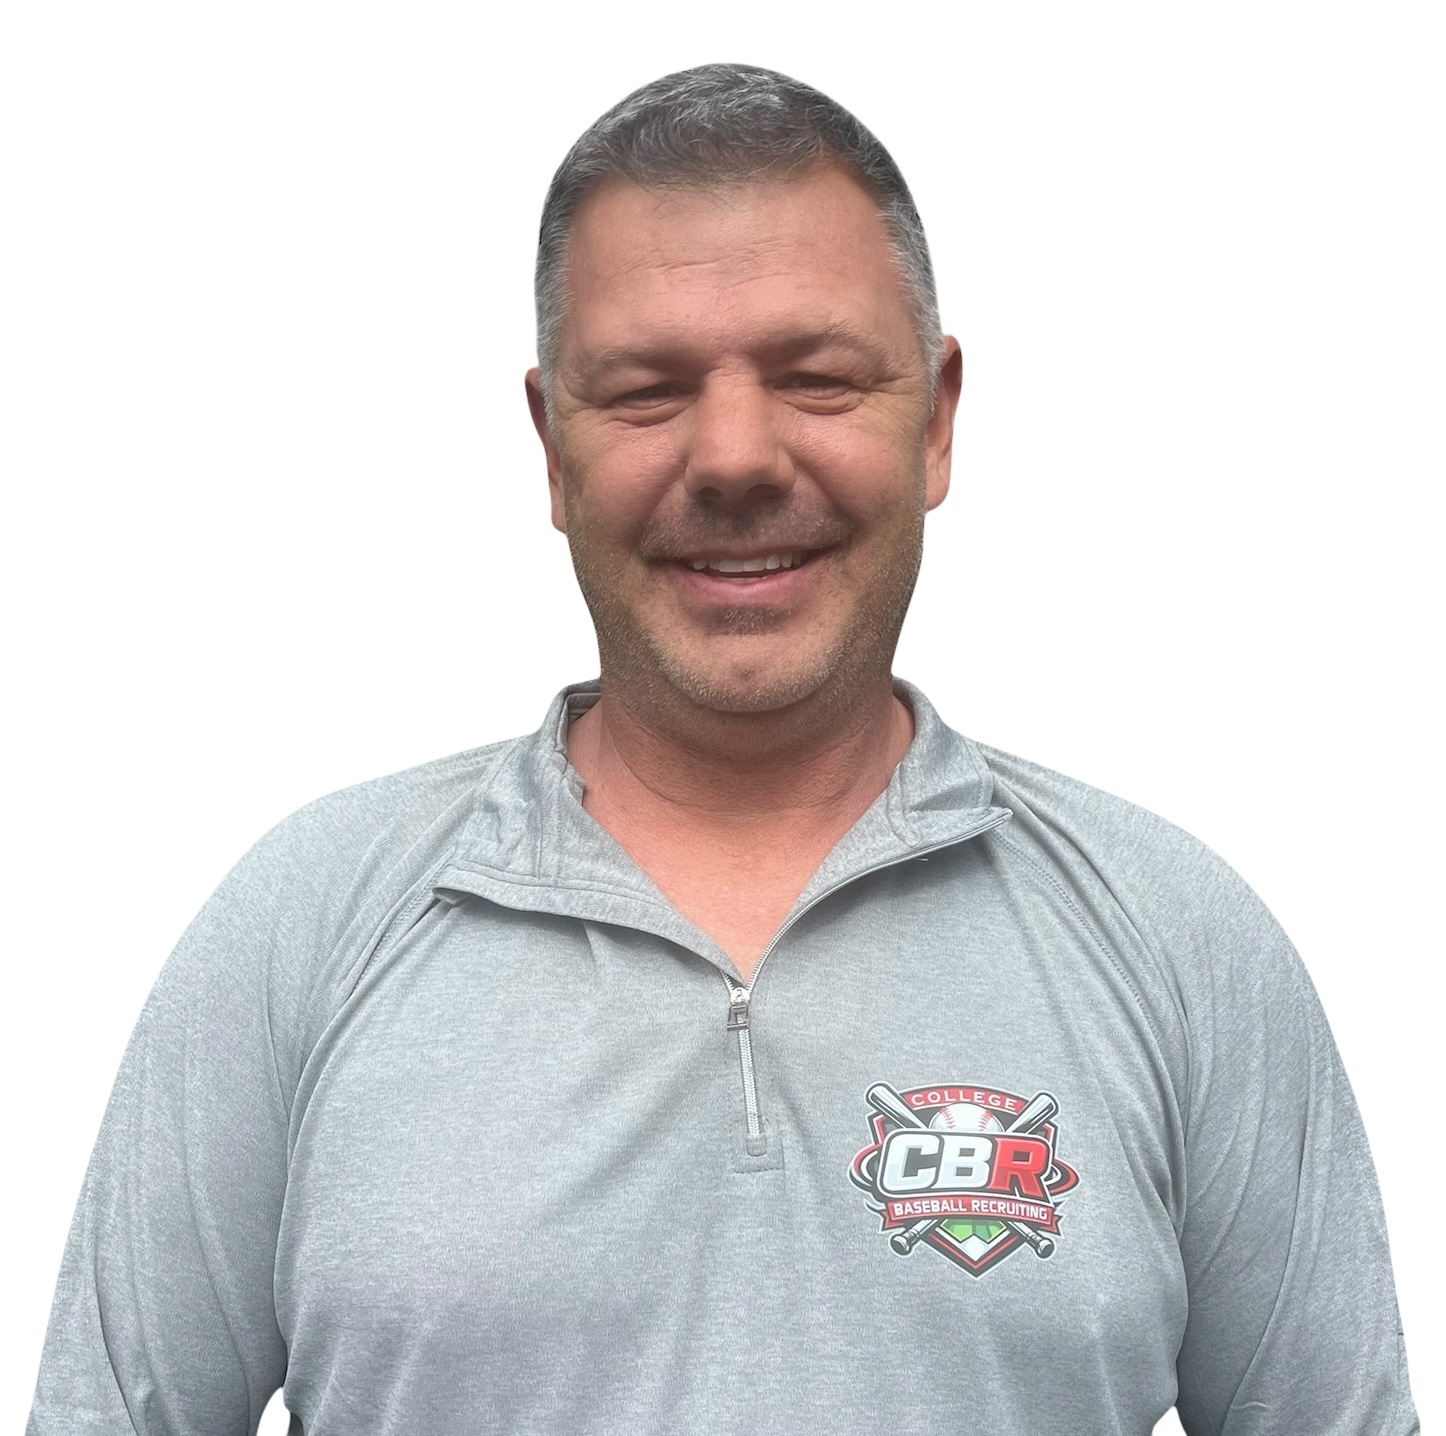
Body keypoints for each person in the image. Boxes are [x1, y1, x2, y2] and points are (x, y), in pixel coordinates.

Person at [27, 62, 1418, 1436]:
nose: (736, 457)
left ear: (939, 428)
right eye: (644, 391)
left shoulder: (1180, 931)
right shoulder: (296, 921)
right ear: (552, 456)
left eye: (816, 379)